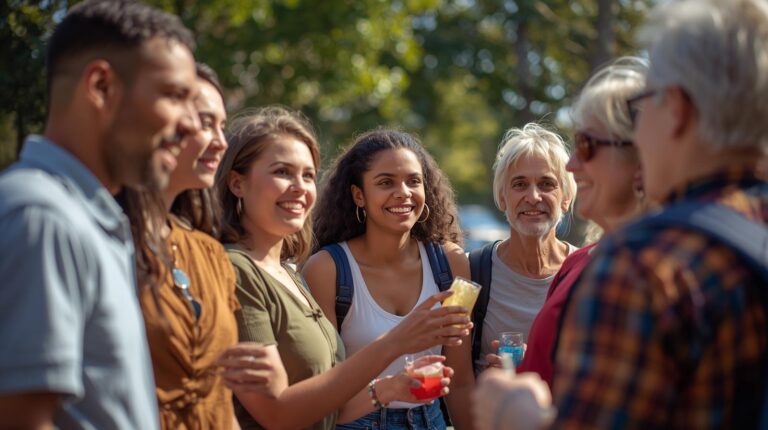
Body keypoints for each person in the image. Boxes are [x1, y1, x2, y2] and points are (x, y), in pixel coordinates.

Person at [476, 0, 768, 428]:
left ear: (677, 108)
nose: (575, 165)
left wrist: (513, 416)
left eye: (644, 101)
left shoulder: (642, 265)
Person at [0, 1, 198, 428]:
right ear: (101, 86)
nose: (191, 125)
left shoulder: (84, 218)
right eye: (175, 95)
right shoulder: (42, 218)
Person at [215, 108, 471, 430]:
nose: (299, 187)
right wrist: (396, 341)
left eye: (308, 175)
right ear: (237, 183)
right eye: (282, 172)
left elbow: (329, 403)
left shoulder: (287, 273)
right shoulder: (240, 269)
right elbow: (277, 413)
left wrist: (390, 388)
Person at [303, 129, 476, 430]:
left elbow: (459, 380)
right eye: (386, 183)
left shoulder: (451, 263)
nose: (404, 193)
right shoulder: (326, 269)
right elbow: (323, 390)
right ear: (359, 195)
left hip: (430, 420)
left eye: (413, 181)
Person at [120, 63, 243, 429]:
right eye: (206, 123)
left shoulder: (209, 253)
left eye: (222, 125)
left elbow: (220, 400)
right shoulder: (105, 241)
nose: (221, 141)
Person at [512, 57, 647, 388]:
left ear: (643, 156)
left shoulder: (648, 272)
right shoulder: (580, 261)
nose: (571, 166)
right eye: (518, 184)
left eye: (587, 146)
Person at [472, 123, 577, 373]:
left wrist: (538, 365)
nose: (533, 197)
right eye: (519, 184)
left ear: (566, 199)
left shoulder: (586, 271)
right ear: (501, 198)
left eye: (546, 184)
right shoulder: (471, 270)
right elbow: (457, 382)